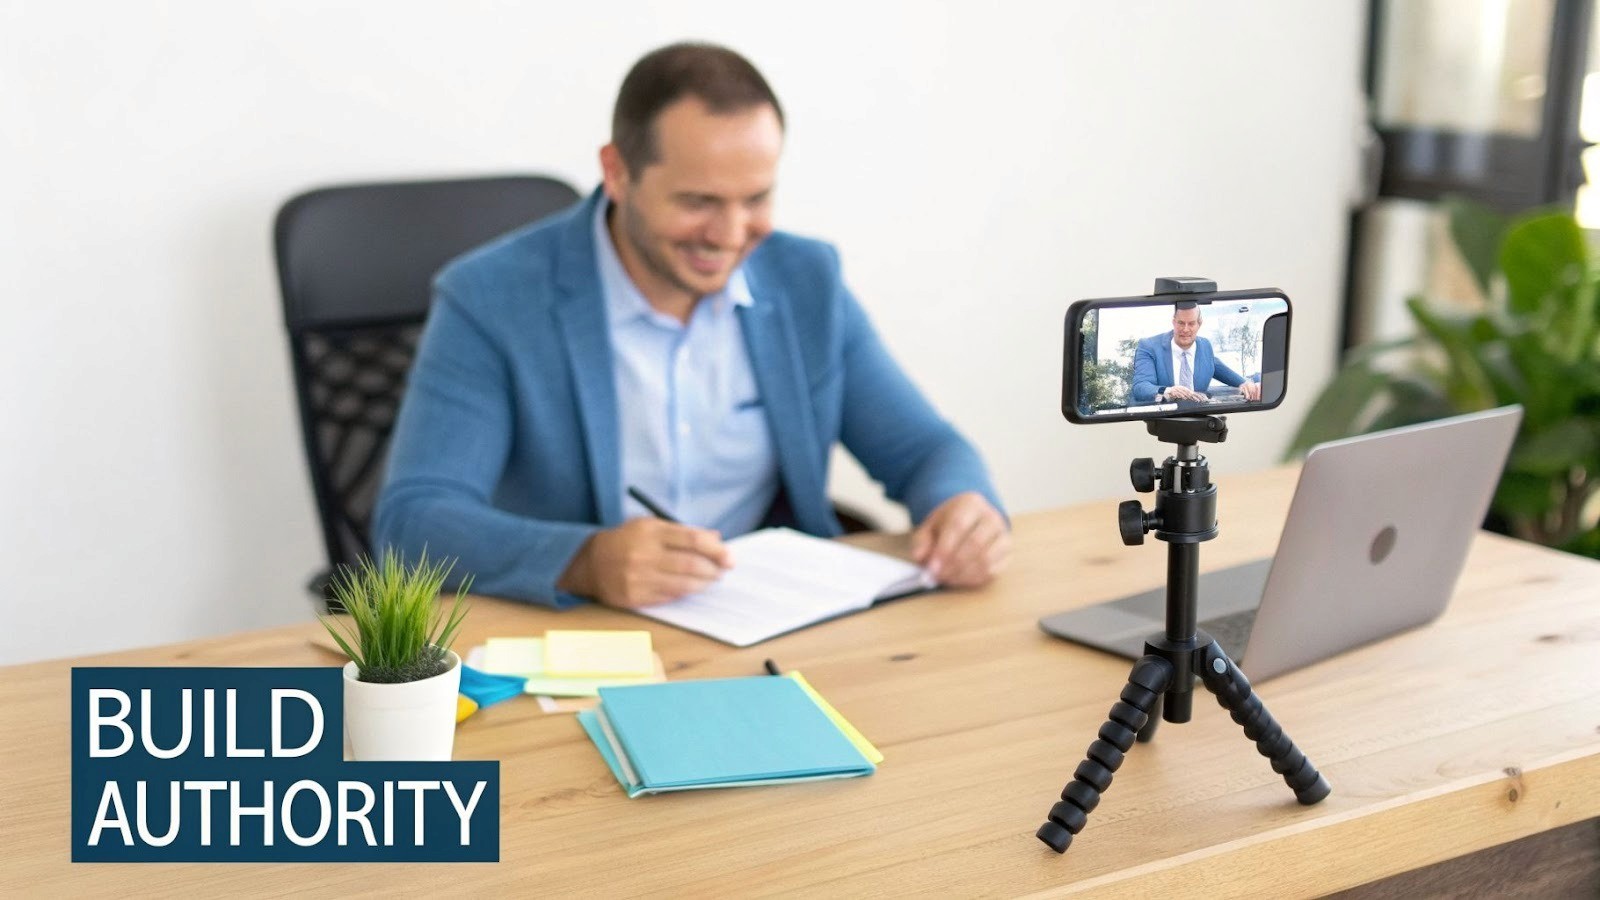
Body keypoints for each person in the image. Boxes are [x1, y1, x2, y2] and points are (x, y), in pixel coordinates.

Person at [372, 42, 1009, 611]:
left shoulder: (806, 279)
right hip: (583, 634)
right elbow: (415, 519)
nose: (731, 236)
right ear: (617, 172)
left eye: (756, 199)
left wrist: (962, 506)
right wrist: (585, 559)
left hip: (773, 624)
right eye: (699, 202)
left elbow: (925, 450)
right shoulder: (489, 296)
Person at [1129, 302, 1261, 404]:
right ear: (1173, 322)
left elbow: (1216, 366)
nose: (1185, 329)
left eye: (1191, 324)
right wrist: (1168, 391)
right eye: (1181, 323)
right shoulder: (1149, 347)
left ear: (1199, 324)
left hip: (1200, 418)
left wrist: (1244, 383)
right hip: (1164, 420)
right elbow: (1141, 386)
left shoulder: (1205, 346)